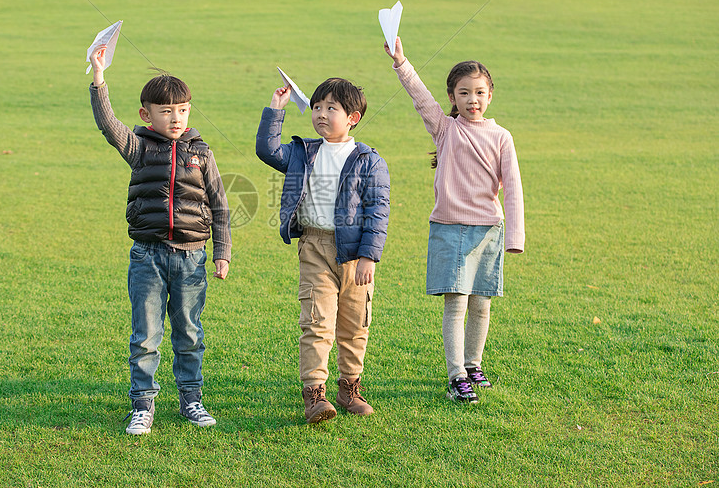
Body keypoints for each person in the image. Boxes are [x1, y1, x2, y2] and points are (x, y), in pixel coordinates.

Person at [89, 45, 231, 434]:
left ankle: (191, 399)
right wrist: (99, 77)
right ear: (146, 114)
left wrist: (223, 253)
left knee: (189, 333)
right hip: (147, 257)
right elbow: (108, 125)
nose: (176, 118)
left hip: (191, 258)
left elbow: (219, 205)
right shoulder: (138, 148)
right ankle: (143, 405)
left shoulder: (202, 153)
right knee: (145, 336)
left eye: (183, 110)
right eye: (166, 111)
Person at [384, 36, 524, 404]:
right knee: (456, 303)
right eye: (464, 93)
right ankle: (456, 375)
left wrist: (515, 238)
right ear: (453, 97)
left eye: (479, 92)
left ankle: (474, 365)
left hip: (488, 232)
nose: (472, 100)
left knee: (482, 303)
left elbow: (513, 188)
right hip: (449, 229)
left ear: (490, 95)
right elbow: (419, 96)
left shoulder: (501, 137)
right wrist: (401, 62)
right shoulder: (445, 129)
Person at [256, 78, 390, 424]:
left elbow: (378, 209)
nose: (321, 114)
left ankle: (350, 388)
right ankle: (315, 394)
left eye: (331, 108)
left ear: (353, 117)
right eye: (316, 107)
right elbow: (268, 151)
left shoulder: (369, 160)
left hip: (355, 253)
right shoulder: (303, 152)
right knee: (317, 322)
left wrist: (367, 256)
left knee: (355, 324)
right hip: (315, 246)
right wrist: (276, 110)